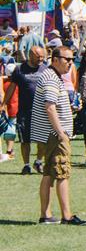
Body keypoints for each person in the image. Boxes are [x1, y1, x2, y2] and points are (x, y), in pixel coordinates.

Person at [30, 47, 86, 225]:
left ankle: (46, 215)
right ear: (54, 59)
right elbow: (49, 107)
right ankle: (67, 216)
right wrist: (61, 133)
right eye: (66, 59)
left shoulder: (53, 76)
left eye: (72, 60)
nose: (70, 63)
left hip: (50, 134)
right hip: (54, 134)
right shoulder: (50, 78)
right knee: (62, 172)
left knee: (49, 173)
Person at [3, 46, 46, 174]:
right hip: (25, 111)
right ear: (30, 55)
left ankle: (38, 162)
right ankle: (26, 165)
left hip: (42, 111)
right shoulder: (20, 69)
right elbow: (12, 87)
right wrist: (4, 103)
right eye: (38, 57)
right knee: (25, 140)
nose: (41, 59)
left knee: (42, 139)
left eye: (43, 57)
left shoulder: (46, 68)